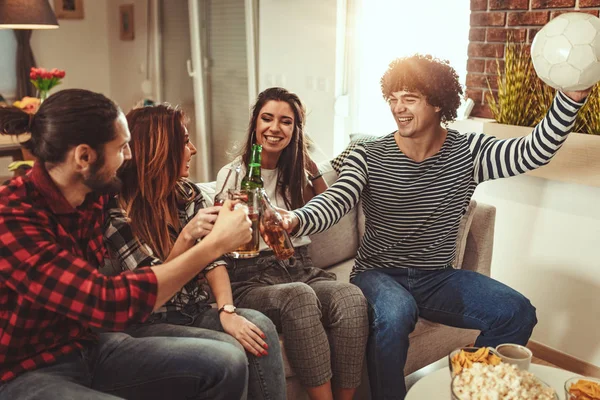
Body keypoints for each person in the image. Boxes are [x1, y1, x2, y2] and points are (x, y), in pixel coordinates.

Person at [280, 54, 592, 400]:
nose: (398, 108)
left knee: (517, 312)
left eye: (409, 98)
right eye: (392, 99)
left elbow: (533, 151)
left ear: (437, 103)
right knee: (396, 313)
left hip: (437, 276)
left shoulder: (469, 152)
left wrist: (570, 99)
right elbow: (338, 198)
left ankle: (474, 389)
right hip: (377, 273)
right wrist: (296, 219)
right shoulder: (368, 154)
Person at [0, 89, 252, 400]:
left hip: (88, 348)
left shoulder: (94, 195)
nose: (130, 156)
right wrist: (212, 245)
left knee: (226, 362)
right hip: (23, 371)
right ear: (84, 157)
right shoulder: (11, 217)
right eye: (121, 148)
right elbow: (107, 302)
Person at [103, 104, 286, 400]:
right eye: (185, 141)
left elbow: (214, 260)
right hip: (150, 323)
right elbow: (149, 290)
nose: (194, 149)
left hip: (195, 311)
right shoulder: (118, 213)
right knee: (228, 353)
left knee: (259, 326)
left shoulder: (188, 195)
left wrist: (226, 311)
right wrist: (187, 237)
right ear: (160, 150)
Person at [215, 87, 369, 400]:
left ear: (295, 129)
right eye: (267, 118)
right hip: (253, 277)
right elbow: (219, 243)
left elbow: (330, 208)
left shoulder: (297, 172)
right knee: (298, 297)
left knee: (351, 297)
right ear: (255, 124)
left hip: (300, 267)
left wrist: (310, 166)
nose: (275, 128)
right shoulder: (234, 175)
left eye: (286, 122)